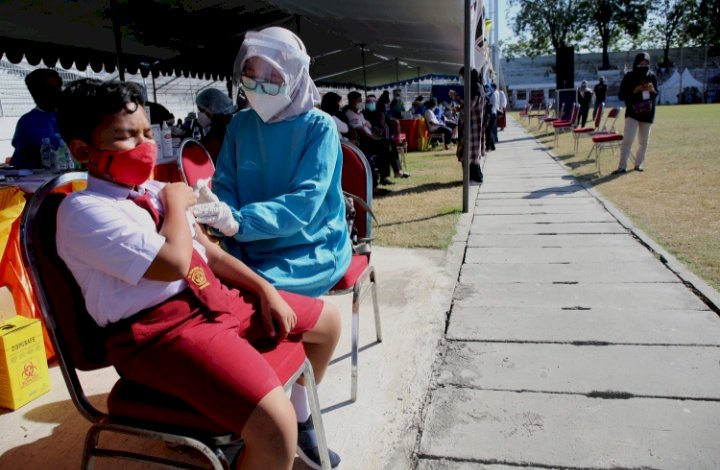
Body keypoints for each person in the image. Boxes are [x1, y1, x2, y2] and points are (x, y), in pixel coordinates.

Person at [55, 78, 342, 470]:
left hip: (210, 296)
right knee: (277, 429)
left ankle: (302, 411)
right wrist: (175, 202)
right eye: (125, 137)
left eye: (145, 133)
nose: (144, 146)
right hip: (163, 333)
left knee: (327, 323)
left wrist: (263, 289)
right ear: (82, 150)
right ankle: (271, 438)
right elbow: (174, 261)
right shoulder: (83, 211)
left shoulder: (152, 190)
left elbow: (210, 255)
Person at [612, 52, 658, 174]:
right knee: (628, 140)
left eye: (646, 64)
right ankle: (622, 166)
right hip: (633, 112)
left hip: (648, 113)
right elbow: (621, 95)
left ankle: (639, 164)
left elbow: (655, 95)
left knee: (644, 142)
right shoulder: (629, 76)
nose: (643, 66)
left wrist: (652, 90)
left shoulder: (652, 77)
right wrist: (635, 90)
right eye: (641, 64)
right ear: (636, 63)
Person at [10, 68, 63, 169]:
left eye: (58, 88)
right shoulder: (27, 122)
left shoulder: (65, 116)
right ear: (38, 94)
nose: (58, 93)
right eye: (51, 89)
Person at [449, 67, 483, 183]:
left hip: (472, 124)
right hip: (471, 123)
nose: (463, 79)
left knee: (469, 151)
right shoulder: (476, 87)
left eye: (463, 76)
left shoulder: (475, 88)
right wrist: (459, 109)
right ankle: (472, 177)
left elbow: (470, 105)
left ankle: (473, 177)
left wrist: (456, 97)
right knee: (470, 150)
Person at [195, 88, 237, 162]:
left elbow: (210, 153)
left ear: (212, 109)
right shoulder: (227, 121)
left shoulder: (219, 128)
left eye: (201, 110)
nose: (199, 115)